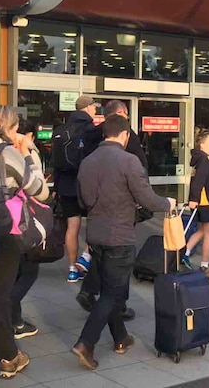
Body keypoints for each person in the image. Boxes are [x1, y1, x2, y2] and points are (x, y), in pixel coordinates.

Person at [71, 115, 174, 370]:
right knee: (112, 293)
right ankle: (86, 342)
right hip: (120, 236)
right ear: (125, 135)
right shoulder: (130, 161)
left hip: (95, 235)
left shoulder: (87, 162)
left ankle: (120, 338)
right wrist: (168, 204)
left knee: (110, 288)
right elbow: (148, 199)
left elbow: (82, 201)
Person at [0, 106, 47, 384]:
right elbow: (40, 189)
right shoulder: (7, 153)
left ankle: (9, 356)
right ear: (8, 128)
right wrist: (29, 152)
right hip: (4, 234)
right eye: (15, 128)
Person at [76, 99, 144, 318]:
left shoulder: (93, 136)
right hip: (121, 205)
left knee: (101, 253)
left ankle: (90, 291)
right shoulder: (125, 138)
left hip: (97, 205)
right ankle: (117, 305)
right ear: (121, 114)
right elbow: (139, 166)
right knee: (120, 257)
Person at [52, 95, 103, 283]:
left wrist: (56, 187)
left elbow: (55, 164)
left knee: (72, 228)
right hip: (88, 185)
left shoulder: (60, 130)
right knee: (96, 224)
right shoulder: (92, 131)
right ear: (88, 108)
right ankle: (86, 257)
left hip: (66, 186)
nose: (95, 110)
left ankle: (72, 269)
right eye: (94, 107)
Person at [9, 118, 50, 341]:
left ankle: (15, 319)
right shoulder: (25, 154)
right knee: (28, 271)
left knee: (16, 272)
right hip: (24, 220)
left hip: (9, 220)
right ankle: (10, 313)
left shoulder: (0, 152)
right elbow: (39, 189)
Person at [181, 131, 209, 271]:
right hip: (204, 201)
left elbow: (201, 179)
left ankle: (185, 252)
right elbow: (199, 181)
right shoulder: (205, 159)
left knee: (202, 230)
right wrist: (194, 198)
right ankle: (205, 263)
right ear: (202, 145)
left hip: (202, 198)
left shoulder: (200, 158)